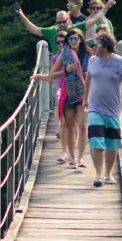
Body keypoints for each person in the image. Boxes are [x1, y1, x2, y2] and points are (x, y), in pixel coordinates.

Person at [82, 32, 122, 186]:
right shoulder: (92, 60)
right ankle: (99, 175)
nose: (93, 47)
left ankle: (108, 173)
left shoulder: (121, 62)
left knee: (112, 144)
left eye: (96, 45)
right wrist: (85, 98)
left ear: (105, 47)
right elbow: (88, 78)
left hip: (113, 110)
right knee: (96, 140)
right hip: (95, 108)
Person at [37, 31, 88, 167]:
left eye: (76, 38)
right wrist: (66, 71)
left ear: (81, 40)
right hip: (69, 92)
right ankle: (72, 158)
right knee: (70, 126)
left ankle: (81, 158)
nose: (73, 41)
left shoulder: (89, 55)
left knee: (83, 126)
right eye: (70, 39)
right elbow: (52, 75)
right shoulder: (63, 55)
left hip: (84, 92)